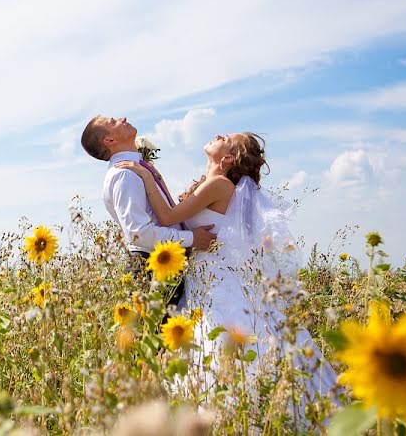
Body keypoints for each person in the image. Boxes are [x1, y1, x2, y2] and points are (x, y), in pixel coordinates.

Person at [116, 132, 339, 411]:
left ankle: (233, 407)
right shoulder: (212, 183)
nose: (218, 134)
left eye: (227, 138)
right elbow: (177, 214)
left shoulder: (220, 185)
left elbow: (170, 217)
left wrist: (146, 178)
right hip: (202, 276)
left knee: (217, 337)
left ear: (228, 158)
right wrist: (154, 173)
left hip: (213, 277)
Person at [80, 116, 217, 301]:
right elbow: (139, 233)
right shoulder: (124, 175)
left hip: (162, 263)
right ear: (110, 141)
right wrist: (192, 238)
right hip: (151, 268)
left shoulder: (136, 168)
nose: (123, 118)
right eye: (113, 122)